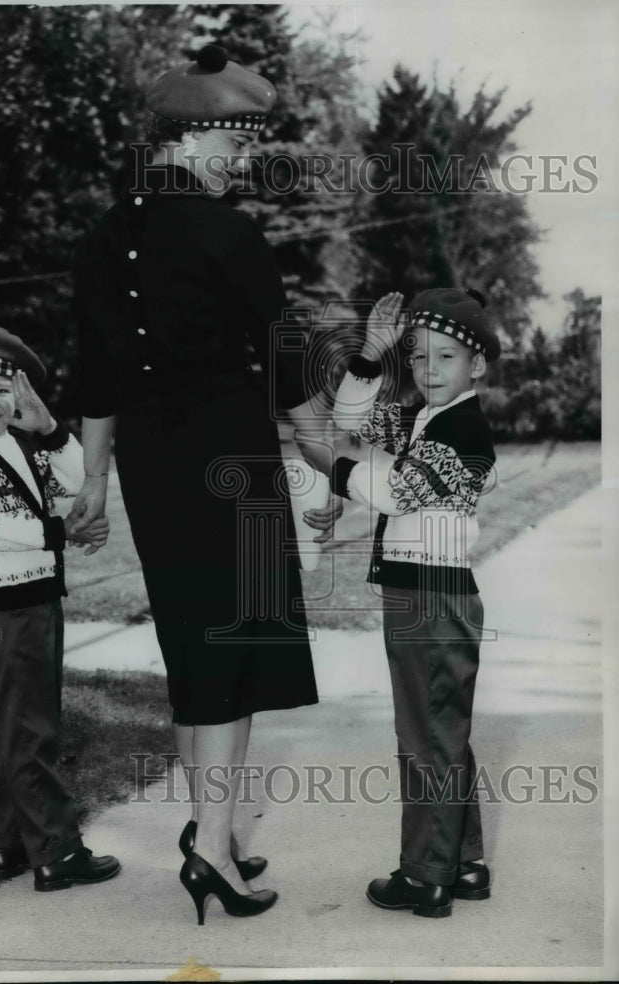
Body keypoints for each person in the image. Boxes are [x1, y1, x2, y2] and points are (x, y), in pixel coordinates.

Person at [68, 45, 338, 924]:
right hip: (228, 457)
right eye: (231, 147)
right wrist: (318, 447)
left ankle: (207, 830)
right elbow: (283, 348)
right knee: (233, 649)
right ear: (184, 142)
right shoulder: (226, 232)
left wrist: (97, 481)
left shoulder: (106, 236)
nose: (241, 164)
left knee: (195, 646)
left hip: (150, 463)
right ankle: (214, 853)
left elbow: (97, 374)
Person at [328, 288, 499, 918]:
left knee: (424, 736)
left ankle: (425, 876)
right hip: (422, 590)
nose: (428, 370)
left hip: (429, 597)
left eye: (445, 358)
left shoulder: (462, 427)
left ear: (476, 366)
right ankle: (464, 861)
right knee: (442, 732)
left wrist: (336, 471)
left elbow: (399, 491)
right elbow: (349, 421)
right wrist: (371, 357)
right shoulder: (424, 416)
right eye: (419, 357)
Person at [0, 325, 121, 892]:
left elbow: (75, 484)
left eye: (2, 391)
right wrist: (67, 530)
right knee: (31, 733)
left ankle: (9, 846)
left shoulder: (22, 445)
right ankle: (57, 852)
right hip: (7, 615)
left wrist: (49, 429)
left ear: (20, 396)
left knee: (19, 730)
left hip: (36, 603)